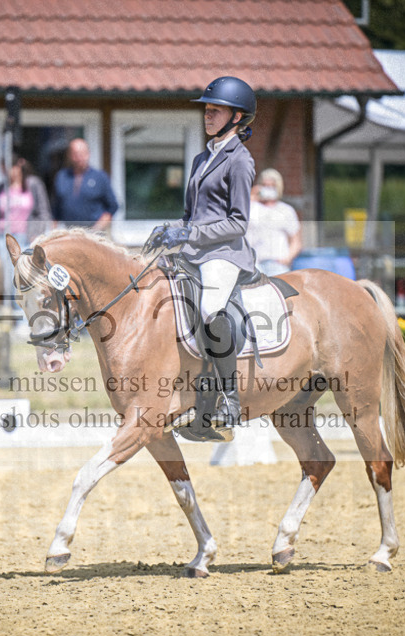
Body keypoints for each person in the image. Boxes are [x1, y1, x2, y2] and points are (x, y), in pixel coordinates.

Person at [147, 75, 257, 431]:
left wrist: (190, 232)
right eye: (206, 110)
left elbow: (238, 223)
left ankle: (229, 400)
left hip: (224, 254)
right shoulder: (201, 158)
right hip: (194, 252)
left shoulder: (240, 161)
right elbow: (191, 215)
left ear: (236, 117)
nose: (207, 115)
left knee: (210, 308)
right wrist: (171, 231)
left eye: (215, 111)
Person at [0, 155, 53, 332]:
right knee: (12, 281)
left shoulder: (33, 185)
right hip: (5, 240)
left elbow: (44, 212)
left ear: (19, 166)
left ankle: (28, 320)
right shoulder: (0, 188)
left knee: (26, 280)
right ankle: (18, 320)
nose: (7, 172)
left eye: (10, 167)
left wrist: (36, 234)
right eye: (4, 168)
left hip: (26, 239)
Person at [51, 138, 118, 231]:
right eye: (75, 154)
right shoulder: (62, 176)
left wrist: (97, 228)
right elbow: (56, 209)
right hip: (69, 231)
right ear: (69, 155)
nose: (79, 157)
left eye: (82, 153)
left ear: (88, 154)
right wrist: (53, 231)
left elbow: (112, 207)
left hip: (95, 232)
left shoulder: (100, 177)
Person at [246, 168, 302, 276]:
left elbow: (296, 241)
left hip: (277, 264)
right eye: (265, 185)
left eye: (272, 186)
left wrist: (287, 258)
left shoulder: (286, 210)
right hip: (254, 263)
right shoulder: (251, 207)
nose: (268, 189)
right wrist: (251, 197)